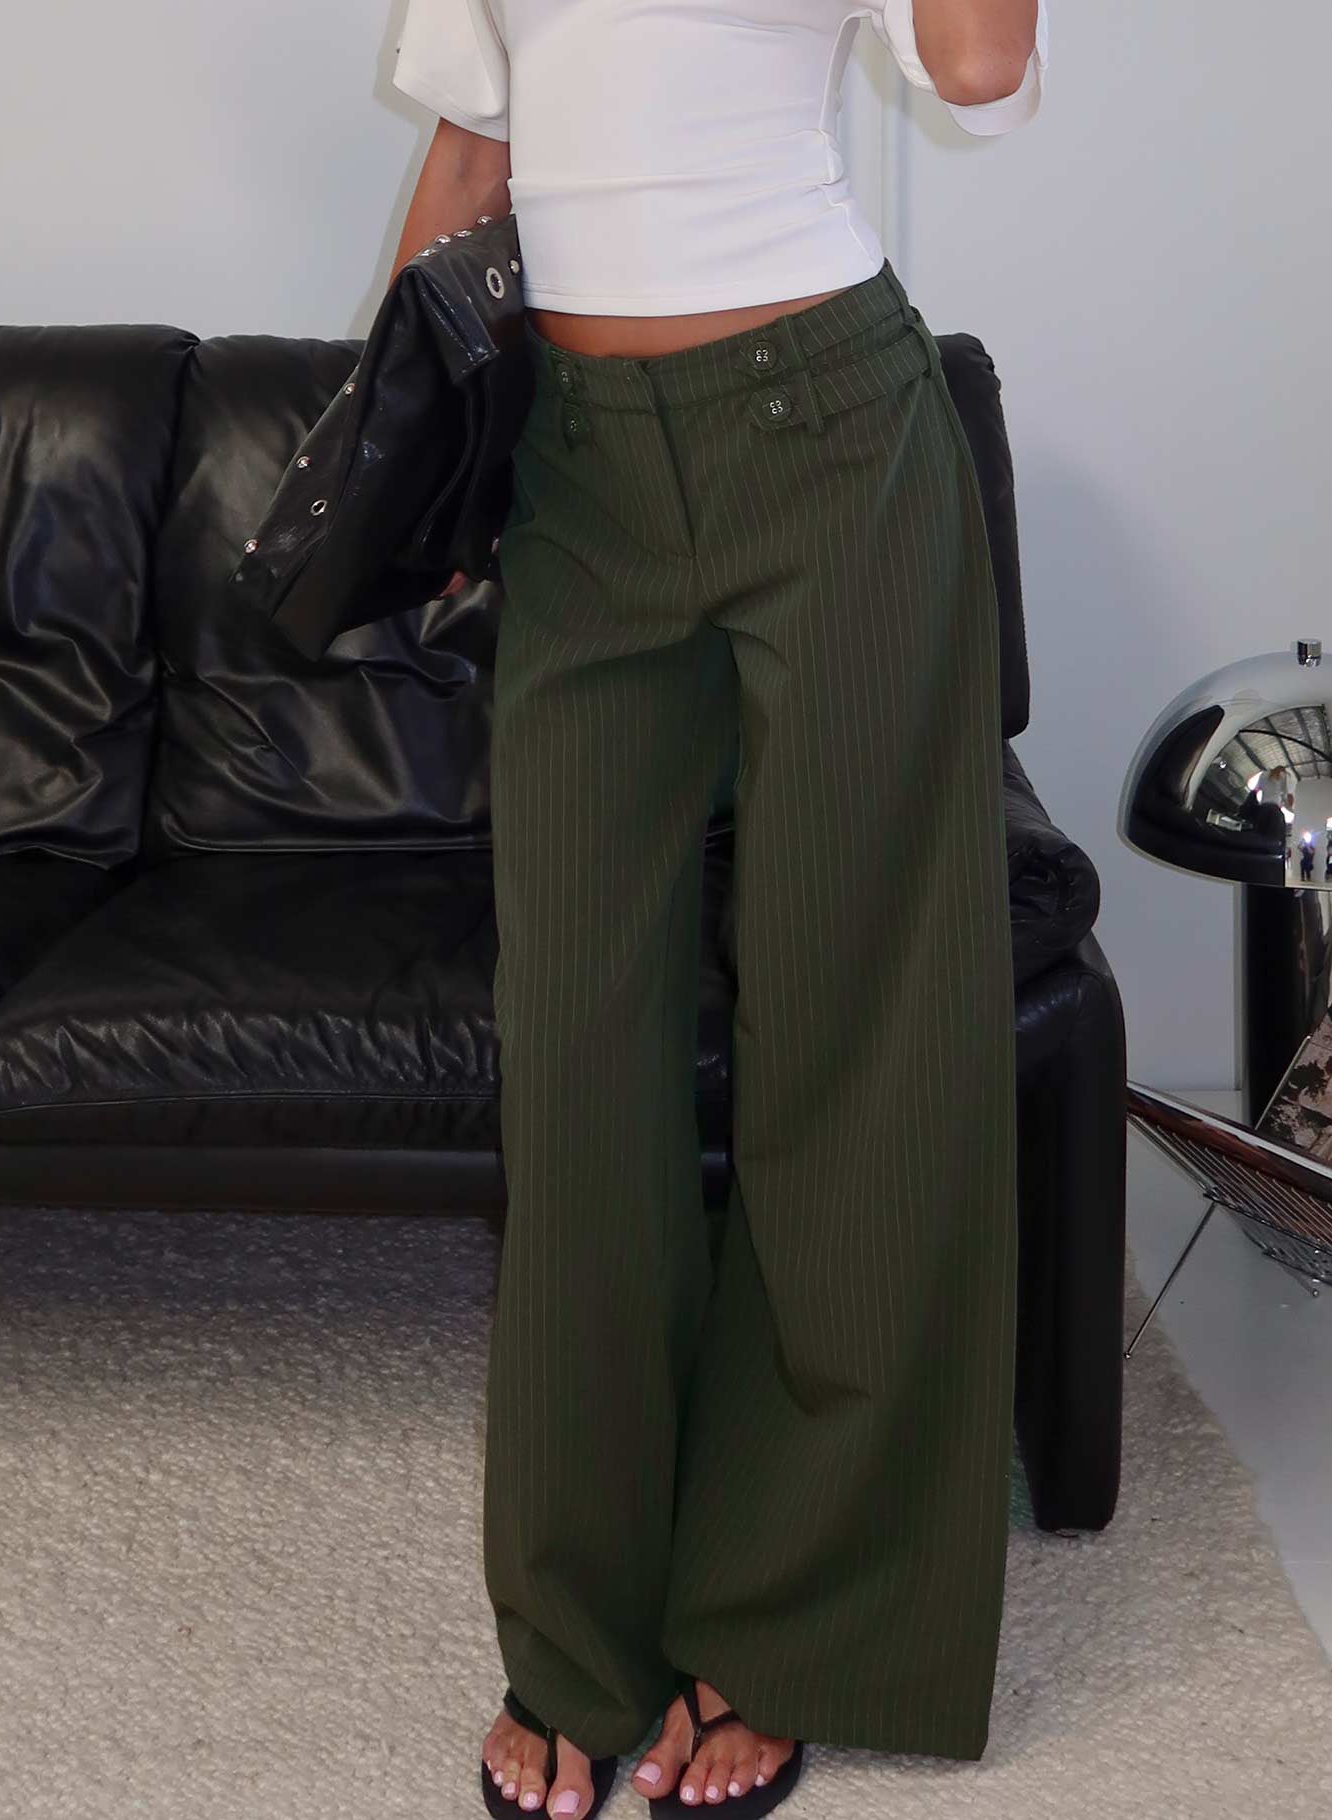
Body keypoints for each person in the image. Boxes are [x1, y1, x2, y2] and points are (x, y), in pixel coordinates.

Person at [387, 3, 1049, 1814]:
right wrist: (413, 451)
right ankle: (577, 1639)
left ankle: (788, 1623)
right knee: (575, 1065)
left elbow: (975, 65)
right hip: (577, 473)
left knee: (855, 1039)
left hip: (827, 437)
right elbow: (472, 147)